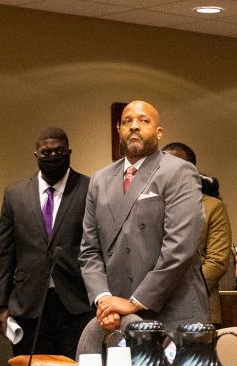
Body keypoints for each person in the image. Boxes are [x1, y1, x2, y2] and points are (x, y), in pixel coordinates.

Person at [81, 100, 208, 331]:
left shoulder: (179, 171)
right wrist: (104, 299)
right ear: (118, 130)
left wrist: (135, 302)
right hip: (117, 314)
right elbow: (89, 250)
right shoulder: (99, 180)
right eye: (127, 121)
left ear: (159, 132)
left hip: (172, 312)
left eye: (143, 120)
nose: (134, 126)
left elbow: (180, 248)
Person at [0, 127, 92, 358]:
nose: (53, 157)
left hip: (76, 303)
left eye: (59, 151)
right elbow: (5, 253)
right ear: (36, 154)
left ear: (69, 152)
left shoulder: (89, 189)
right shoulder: (15, 194)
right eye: (47, 152)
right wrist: (0, 305)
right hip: (29, 304)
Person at [163, 141, 234, 322]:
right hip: (155, 305)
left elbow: (217, 262)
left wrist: (175, 290)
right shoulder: (151, 204)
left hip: (198, 304)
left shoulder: (212, 207)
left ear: (191, 170)